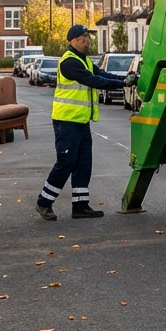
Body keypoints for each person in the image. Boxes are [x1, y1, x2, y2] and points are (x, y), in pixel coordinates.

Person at [35, 24, 126, 221]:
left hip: (80, 121)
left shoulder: (82, 61)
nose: (88, 40)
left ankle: (80, 206)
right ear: (73, 41)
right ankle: (44, 202)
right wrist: (121, 84)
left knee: (84, 163)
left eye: (88, 37)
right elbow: (94, 81)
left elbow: (101, 74)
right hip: (66, 121)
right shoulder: (69, 62)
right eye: (84, 37)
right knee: (66, 163)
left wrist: (125, 78)